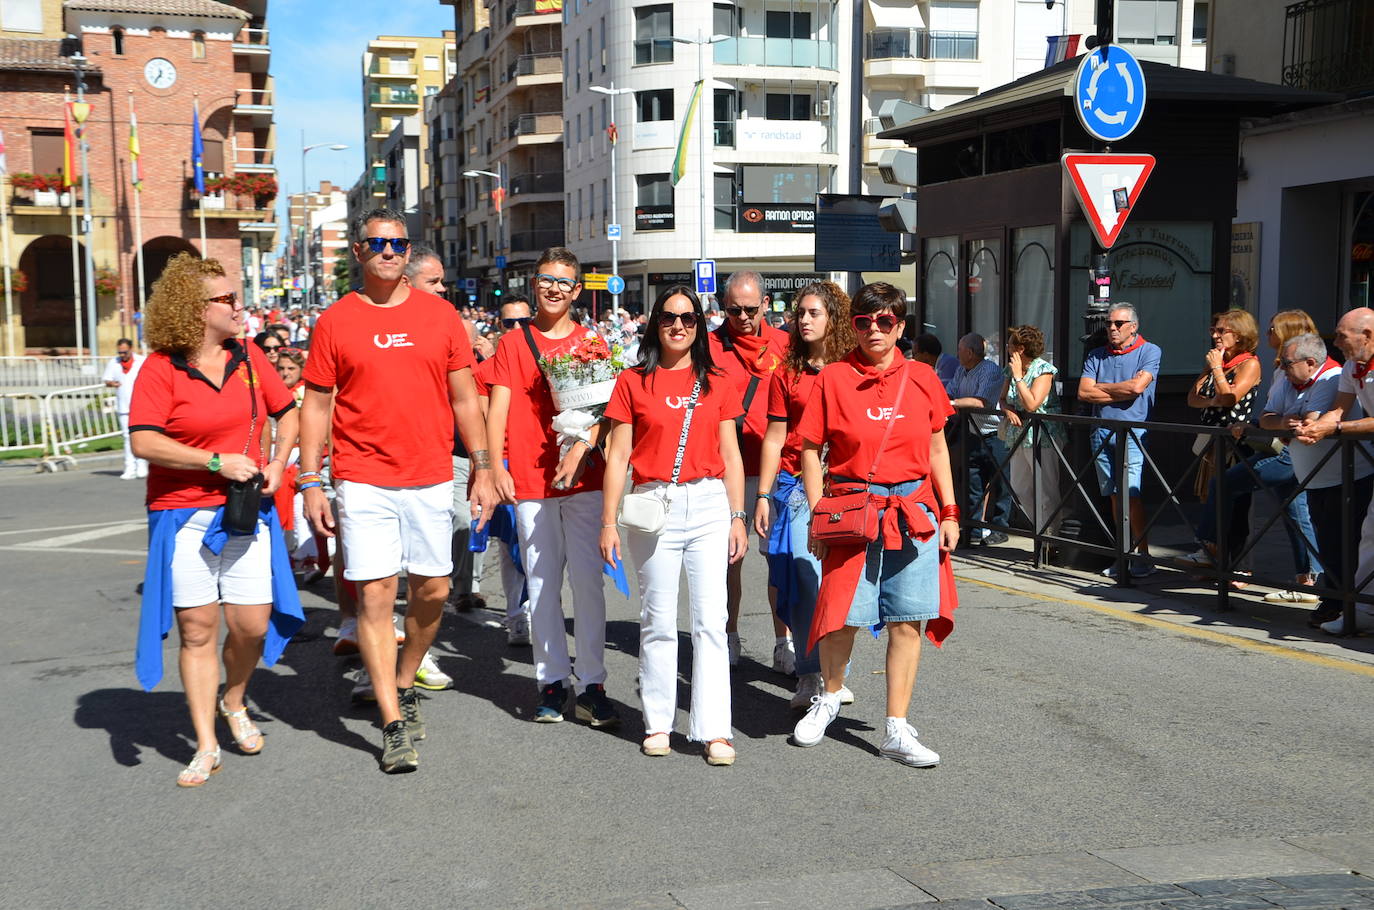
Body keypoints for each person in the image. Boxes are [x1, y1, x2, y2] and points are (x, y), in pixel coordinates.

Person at [299, 207, 495, 774]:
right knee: (376, 595)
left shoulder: (440, 317)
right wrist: (312, 479)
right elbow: (315, 405)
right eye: (377, 243)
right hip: (361, 478)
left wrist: (483, 467)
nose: (388, 252)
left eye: (398, 244)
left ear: (408, 252)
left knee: (433, 590)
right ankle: (391, 720)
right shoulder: (335, 320)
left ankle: (404, 678)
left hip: (431, 474)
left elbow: (465, 401)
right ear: (358, 252)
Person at [128, 253, 303, 787]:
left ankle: (234, 698)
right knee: (197, 628)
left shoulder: (249, 357)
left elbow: (287, 412)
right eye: (227, 299)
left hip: (245, 511)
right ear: (194, 309)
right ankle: (205, 743)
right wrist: (213, 461)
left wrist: (277, 460)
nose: (238, 305)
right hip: (182, 513)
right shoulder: (161, 366)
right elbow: (144, 439)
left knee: (250, 623)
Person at [790, 282, 959, 766]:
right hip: (852, 513)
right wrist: (819, 516)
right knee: (842, 617)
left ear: (900, 326)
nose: (875, 331)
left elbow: (936, 449)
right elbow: (809, 449)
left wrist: (949, 511)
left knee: (908, 622)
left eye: (886, 322)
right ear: (855, 326)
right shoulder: (834, 378)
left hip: (913, 514)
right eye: (865, 322)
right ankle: (829, 696)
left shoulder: (923, 377)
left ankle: (896, 728)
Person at [600, 286, 747, 765]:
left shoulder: (718, 381)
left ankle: (714, 730)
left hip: (707, 503)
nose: (678, 326)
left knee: (710, 621)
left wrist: (738, 516)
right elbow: (619, 454)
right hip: (652, 505)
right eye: (668, 318)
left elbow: (731, 455)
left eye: (687, 317)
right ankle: (658, 723)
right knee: (658, 620)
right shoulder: (632, 381)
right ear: (655, 324)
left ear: (700, 324)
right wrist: (607, 522)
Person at [486, 247, 619, 726]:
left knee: (587, 586)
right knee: (541, 587)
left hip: (585, 481)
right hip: (530, 478)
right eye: (546, 279)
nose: (555, 288)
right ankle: (550, 682)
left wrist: (584, 444)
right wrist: (494, 465)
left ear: (578, 290)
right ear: (535, 284)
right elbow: (496, 406)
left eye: (565, 281)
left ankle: (592, 684)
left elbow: (609, 415)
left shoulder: (594, 342)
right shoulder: (513, 343)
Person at [753, 281, 858, 708]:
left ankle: (834, 671)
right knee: (801, 577)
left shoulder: (853, 368)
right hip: (795, 486)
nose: (804, 320)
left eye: (814, 312)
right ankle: (810, 673)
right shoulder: (787, 372)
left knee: (838, 584)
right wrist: (761, 495)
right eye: (801, 313)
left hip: (846, 486)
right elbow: (774, 438)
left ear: (833, 318)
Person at [1182, 310, 1323, 598]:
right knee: (1295, 512)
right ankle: (1307, 580)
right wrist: (1264, 421)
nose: (1215, 335)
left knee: (1229, 489)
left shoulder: (1255, 364)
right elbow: (1194, 398)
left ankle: (1217, 553)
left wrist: (1218, 372)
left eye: (1221, 330)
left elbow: (1230, 398)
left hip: (1271, 447)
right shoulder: (1282, 369)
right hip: (1232, 438)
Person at [707, 270, 794, 671]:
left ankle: (784, 643)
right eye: (733, 309)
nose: (742, 317)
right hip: (727, 470)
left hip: (776, 468)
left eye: (749, 308)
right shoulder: (707, 346)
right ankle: (729, 635)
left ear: (765, 304)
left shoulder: (786, 345)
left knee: (779, 560)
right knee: (729, 559)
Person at [1267, 334, 1371, 627]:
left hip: (1348, 473)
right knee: (1329, 543)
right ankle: (1339, 603)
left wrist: (1293, 422)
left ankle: (1344, 605)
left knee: (1347, 543)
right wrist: (1284, 422)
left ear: (1310, 362)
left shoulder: (1333, 375)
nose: (1281, 366)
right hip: (1314, 477)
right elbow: (1267, 418)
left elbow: (1315, 419)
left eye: (1287, 362)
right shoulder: (1348, 368)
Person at [1297, 307, 1374, 634]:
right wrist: (1314, 428)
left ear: (1366, 335)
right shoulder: (1351, 367)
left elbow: (1345, 421)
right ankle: (1362, 614)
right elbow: (1337, 410)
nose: (1336, 342)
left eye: (1342, 336)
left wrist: (1337, 429)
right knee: (1370, 536)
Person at [1079, 303, 1162, 578]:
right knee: (1115, 495)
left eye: (1118, 324)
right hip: (1102, 429)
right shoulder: (1096, 355)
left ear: (1133, 326)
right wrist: (1121, 390)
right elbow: (1084, 393)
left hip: (1133, 431)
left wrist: (1101, 388)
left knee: (1131, 493)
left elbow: (1137, 388)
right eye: (1109, 324)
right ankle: (1122, 555)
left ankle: (1143, 555)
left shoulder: (1149, 351)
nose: (1112, 328)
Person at [998, 325, 1063, 539]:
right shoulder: (1009, 370)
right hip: (1018, 435)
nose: (1006, 347)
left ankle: (1049, 540)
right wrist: (1007, 410)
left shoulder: (1043, 370)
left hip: (1042, 436)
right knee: (1019, 488)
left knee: (1046, 490)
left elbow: (1032, 404)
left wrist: (1018, 377)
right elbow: (1002, 398)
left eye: (1009, 344)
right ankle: (1041, 531)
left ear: (1020, 349)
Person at [948, 333, 1011, 547]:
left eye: (959, 349)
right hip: (972, 433)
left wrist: (953, 402)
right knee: (972, 483)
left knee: (1000, 483)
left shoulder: (990, 371)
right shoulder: (960, 370)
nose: (957, 354)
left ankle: (999, 528)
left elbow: (980, 401)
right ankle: (973, 529)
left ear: (970, 352)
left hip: (994, 434)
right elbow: (951, 392)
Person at [103, 337, 148, 480]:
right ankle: (130, 467)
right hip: (124, 406)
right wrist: (111, 384)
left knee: (141, 436)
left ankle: (142, 465)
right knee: (127, 437)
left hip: (141, 405)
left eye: (125, 352)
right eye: (120, 352)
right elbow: (107, 380)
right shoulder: (114, 363)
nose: (122, 355)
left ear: (131, 349)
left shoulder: (142, 361)